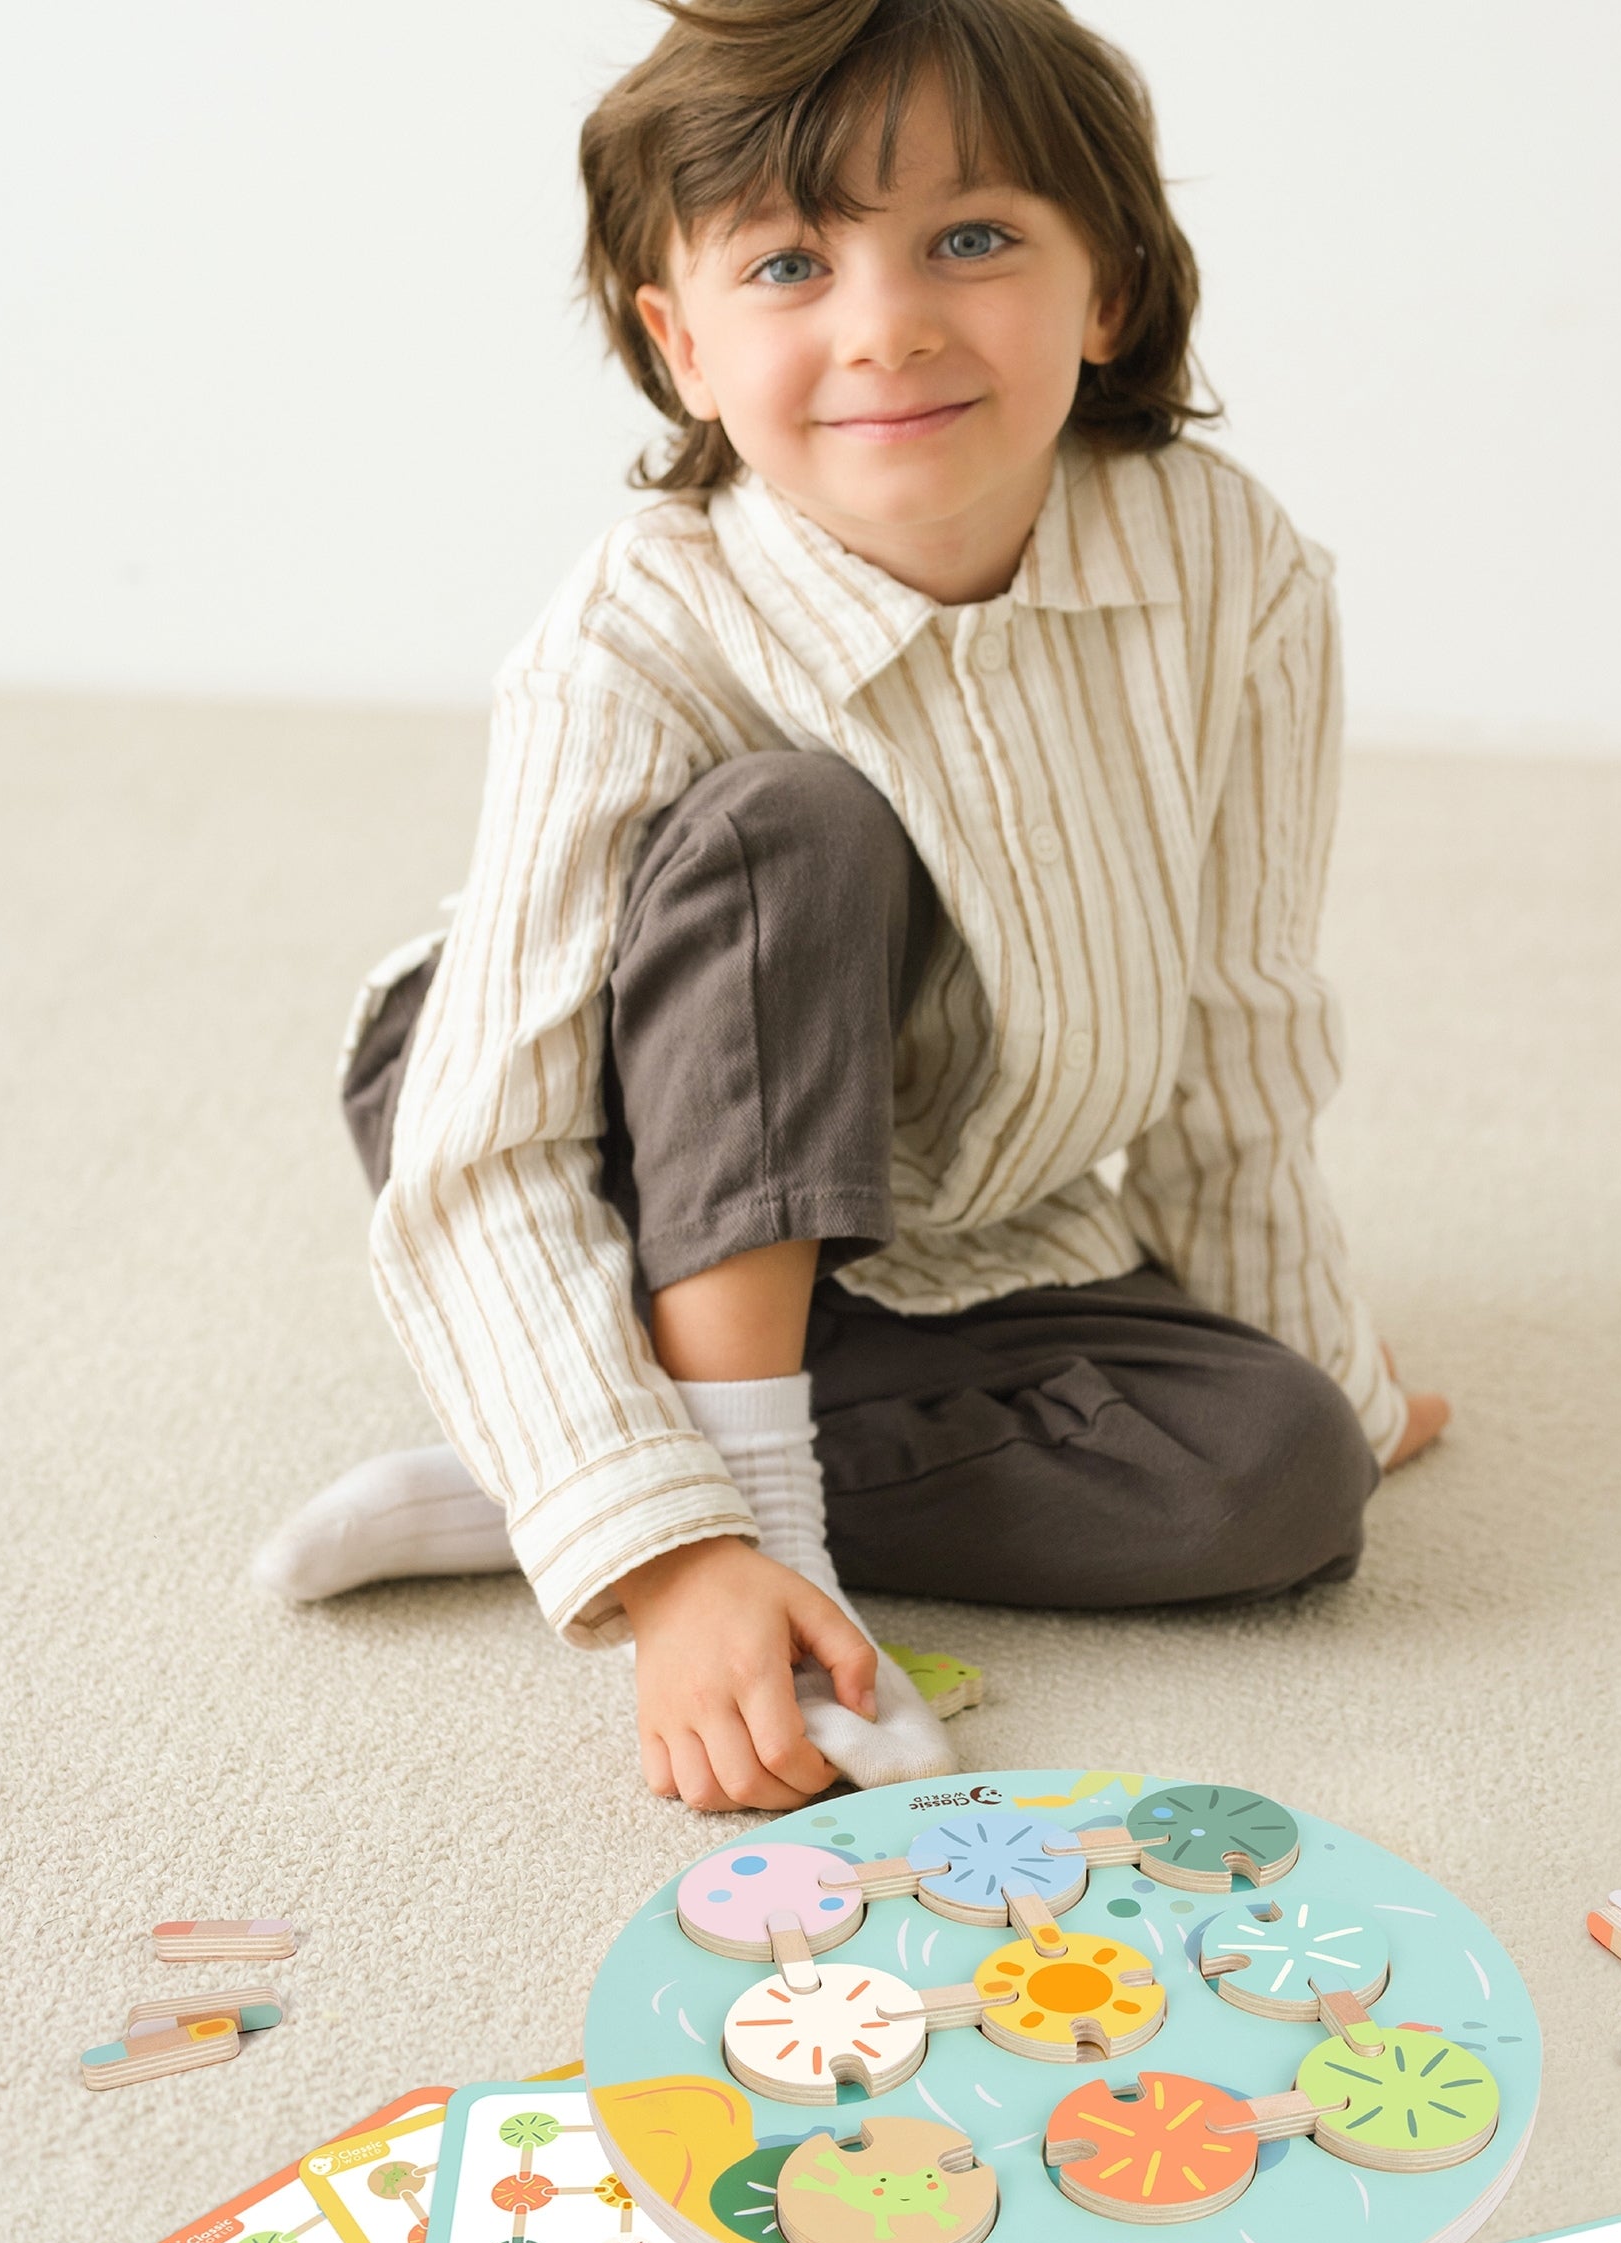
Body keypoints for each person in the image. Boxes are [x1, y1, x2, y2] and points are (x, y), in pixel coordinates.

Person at [254, 0, 1449, 1813]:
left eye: (971, 239)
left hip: (933, 1204)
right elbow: (483, 1153)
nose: (886, 325)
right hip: (581, 1127)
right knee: (797, 829)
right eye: (790, 265)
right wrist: (686, 1570)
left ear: (1110, 288)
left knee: (1279, 1475)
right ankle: (722, 1510)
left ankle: (564, 1466)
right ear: (682, 345)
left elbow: (1237, 1026)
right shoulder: (631, 635)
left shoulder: (1233, 571)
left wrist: (1329, 1373)